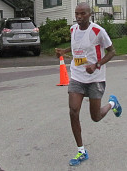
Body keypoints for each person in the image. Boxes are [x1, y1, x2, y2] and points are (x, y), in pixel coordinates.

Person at [55, 2, 122, 166]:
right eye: (77, 13)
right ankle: (81, 151)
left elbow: (112, 51)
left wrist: (97, 64)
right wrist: (65, 51)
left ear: (89, 14)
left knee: (96, 117)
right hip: (77, 76)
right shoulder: (73, 29)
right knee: (73, 110)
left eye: (82, 13)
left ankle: (112, 103)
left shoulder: (98, 31)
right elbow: (78, 47)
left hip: (95, 78)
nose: (78, 17)